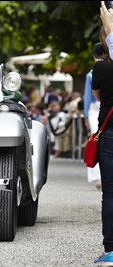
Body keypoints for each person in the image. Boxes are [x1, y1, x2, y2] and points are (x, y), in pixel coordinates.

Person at [91, 3, 113, 262]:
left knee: (109, 193)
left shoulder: (101, 68)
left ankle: (110, 250)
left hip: (109, 133)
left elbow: (97, 96)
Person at [84, 42, 104, 190]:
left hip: (104, 107)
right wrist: (86, 115)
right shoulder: (90, 75)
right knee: (95, 138)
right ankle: (98, 177)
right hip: (94, 108)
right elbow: (87, 97)